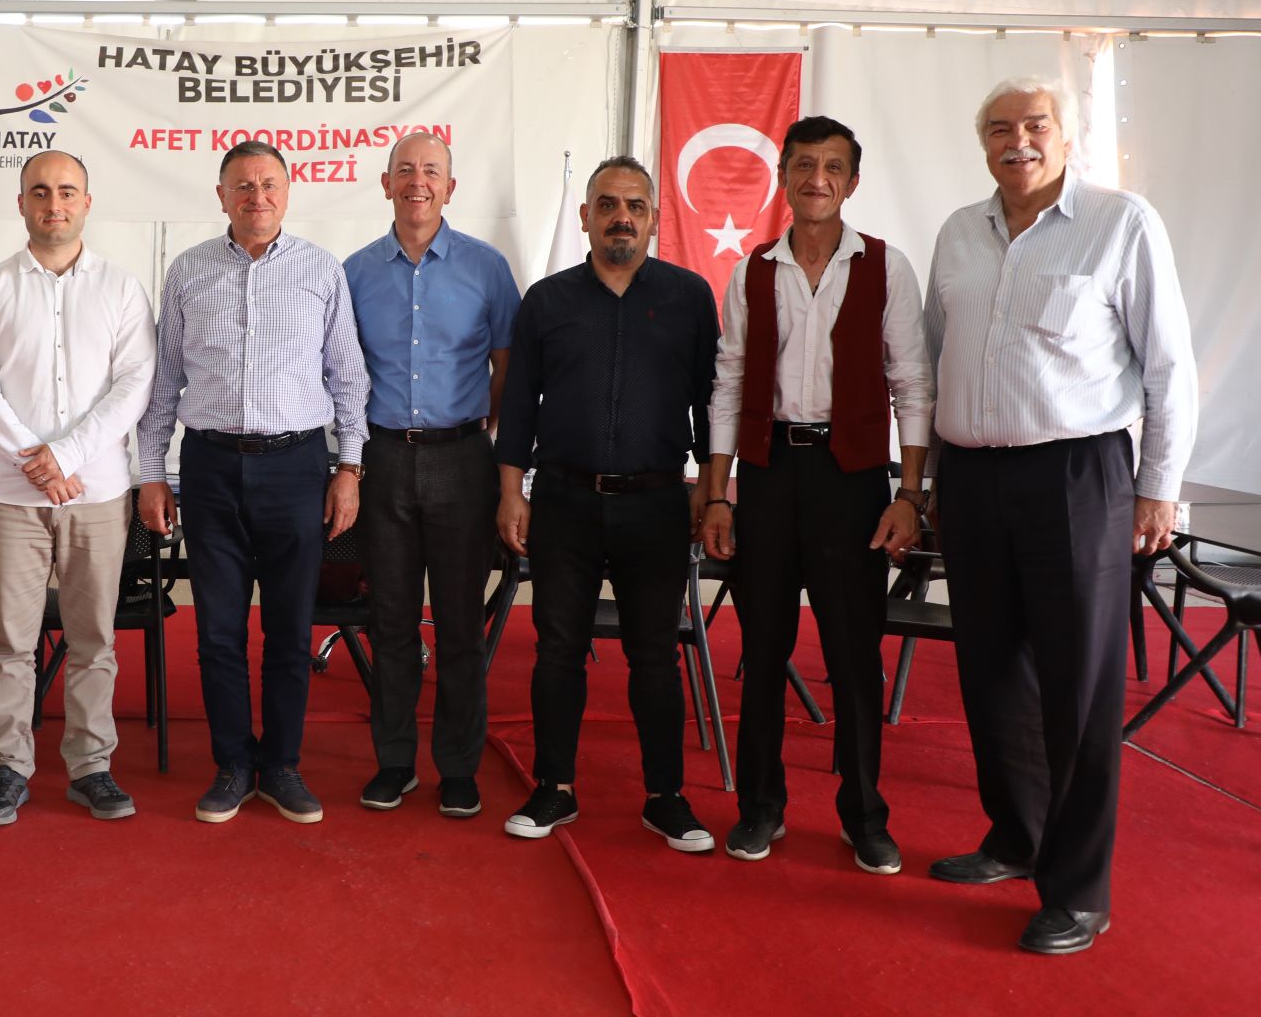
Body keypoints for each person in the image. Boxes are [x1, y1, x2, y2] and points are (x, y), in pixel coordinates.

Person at [923, 78, 1196, 954]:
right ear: (983, 142)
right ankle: (1016, 837)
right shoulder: (958, 233)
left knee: (1079, 683)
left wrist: (1157, 487)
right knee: (991, 669)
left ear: (1067, 137)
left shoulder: (1122, 223)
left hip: (1077, 474)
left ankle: (1078, 891)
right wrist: (928, 480)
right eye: (1000, 128)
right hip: (971, 475)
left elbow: (1169, 366)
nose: (1020, 140)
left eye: (1036, 125)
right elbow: (935, 357)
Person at [699, 116, 933, 874]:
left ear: (852, 182)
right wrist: (719, 494)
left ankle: (864, 815)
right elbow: (728, 384)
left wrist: (910, 494)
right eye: (804, 165)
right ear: (784, 178)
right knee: (762, 650)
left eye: (833, 167)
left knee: (854, 654)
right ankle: (761, 807)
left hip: (852, 479)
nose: (817, 179)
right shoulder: (752, 272)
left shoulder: (886, 267)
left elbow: (912, 383)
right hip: (770, 475)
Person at [137, 140, 370, 826]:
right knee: (218, 631)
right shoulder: (188, 271)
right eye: (242, 185)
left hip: (297, 468)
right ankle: (234, 764)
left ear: (288, 193)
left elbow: (349, 378)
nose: (256, 196)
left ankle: (283, 765)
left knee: (290, 628)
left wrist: (350, 468)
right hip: (209, 467)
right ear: (221, 196)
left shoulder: (321, 270)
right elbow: (163, 383)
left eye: (269, 184)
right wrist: (151, 474)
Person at [495, 156, 719, 851]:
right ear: (586, 216)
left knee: (656, 655)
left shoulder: (689, 297)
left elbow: (712, 405)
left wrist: (715, 492)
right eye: (608, 205)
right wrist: (510, 492)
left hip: (657, 505)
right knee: (557, 650)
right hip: (563, 502)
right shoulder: (547, 300)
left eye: (635, 206)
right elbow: (518, 405)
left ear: (653, 219)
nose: (622, 217)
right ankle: (553, 788)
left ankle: (666, 797)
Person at [0, 151, 156, 826]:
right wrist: (34, 461)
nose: (54, 204)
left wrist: (64, 455)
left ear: (87, 203)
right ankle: (9, 768)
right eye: (40, 192)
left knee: (93, 637)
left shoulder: (122, 289)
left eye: (67, 191)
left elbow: (134, 385)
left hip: (96, 493)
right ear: (21, 204)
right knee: (11, 641)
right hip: (10, 497)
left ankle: (91, 767)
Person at [343, 131, 520, 819]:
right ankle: (394, 763)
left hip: (462, 461)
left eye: (432, 171)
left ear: (450, 187)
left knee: (459, 625)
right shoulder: (355, 272)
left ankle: (457, 767)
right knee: (390, 620)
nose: (418, 181)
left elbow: (507, 366)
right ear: (386, 184)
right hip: (383, 460)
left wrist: (479, 435)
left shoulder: (487, 268)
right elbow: (341, 371)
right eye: (406, 170)